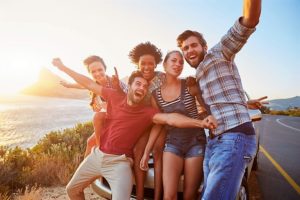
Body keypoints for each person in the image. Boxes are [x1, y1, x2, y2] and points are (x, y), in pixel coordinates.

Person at [51, 60, 217, 200]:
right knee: (71, 190)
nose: (142, 88)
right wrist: (62, 67)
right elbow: (87, 83)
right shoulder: (114, 96)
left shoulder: (147, 113)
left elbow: (170, 118)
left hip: (119, 163)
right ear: (128, 86)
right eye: (138, 84)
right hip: (97, 156)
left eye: (145, 86)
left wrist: (200, 123)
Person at [176, 0, 262, 199]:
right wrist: (197, 94)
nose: (189, 51)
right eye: (185, 49)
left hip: (235, 137)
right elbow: (209, 111)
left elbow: (249, 21)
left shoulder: (219, 53)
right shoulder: (196, 78)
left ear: (204, 46)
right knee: (209, 194)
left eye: (193, 45)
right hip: (213, 142)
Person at [140, 51, 207, 200]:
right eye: (174, 61)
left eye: (181, 62)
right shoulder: (156, 95)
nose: (178, 64)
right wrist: (146, 152)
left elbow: (208, 107)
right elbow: (158, 123)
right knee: (169, 195)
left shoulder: (189, 84)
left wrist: (196, 93)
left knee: (189, 195)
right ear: (164, 65)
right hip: (173, 144)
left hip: (196, 141)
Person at [57, 55, 127, 157]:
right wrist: (69, 85)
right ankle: (84, 170)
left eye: (100, 70)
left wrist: (108, 106)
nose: (97, 73)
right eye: (93, 72)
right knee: (90, 142)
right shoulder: (94, 84)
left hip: (123, 120)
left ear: (105, 69)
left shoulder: (115, 82)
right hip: (110, 118)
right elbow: (82, 85)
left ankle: (100, 152)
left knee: (98, 117)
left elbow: (128, 103)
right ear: (90, 73)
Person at [128, 42, 166, 200]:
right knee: (138, 150)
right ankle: (140, 196)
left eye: (150, 63)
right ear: (138, 63)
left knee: (157, 150)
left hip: (162, 122)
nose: (147, 67)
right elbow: (127, 96)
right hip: (145, 124)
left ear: (156, 63)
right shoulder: (136, 79)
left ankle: (157, 196)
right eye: (143, 63)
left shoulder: (162, 78)